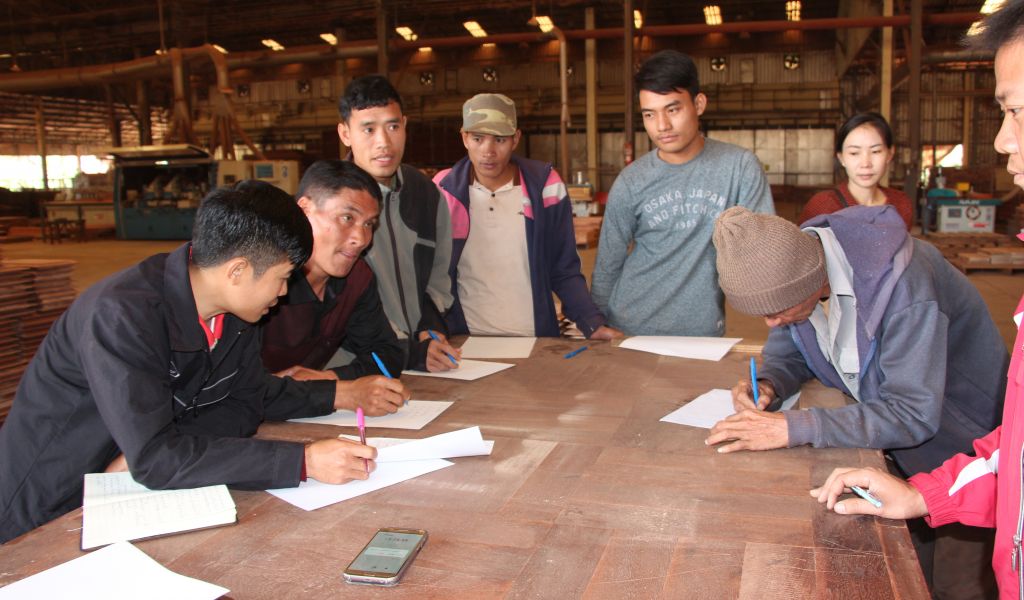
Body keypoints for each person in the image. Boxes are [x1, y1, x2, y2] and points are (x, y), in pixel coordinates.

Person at [0, 181, 377, 544]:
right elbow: (156, 460)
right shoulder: (123, 315)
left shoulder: (238, 314)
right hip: (46, 504)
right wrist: (302, 461)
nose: (283, 293)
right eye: (282, 278)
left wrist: (168, 448)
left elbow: (246, 405)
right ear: (237, 271)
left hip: (124, 497)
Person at [810, 2, 1024, 597]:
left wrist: (798, 426)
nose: (1004, 139)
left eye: (1015, 112)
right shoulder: (820, 225)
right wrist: (923, 495)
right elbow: (1018, 453)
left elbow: (914, 408)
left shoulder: (909, 268)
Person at [591, 49, 774, 337]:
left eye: (672, 109)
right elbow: (608, 262)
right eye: (649, 114)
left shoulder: (738, 168)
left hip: (700, 331)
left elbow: (762, 246)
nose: (661, 126)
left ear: (699, 104)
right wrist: (596, 324)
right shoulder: (632, 181)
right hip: (629, 327)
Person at [432, 93, 621, 340]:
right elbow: (431, 274)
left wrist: (591, 322)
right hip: (464, 339)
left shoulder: (545, 187)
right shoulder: (443, 190)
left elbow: (563, 267)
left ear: (515, 139)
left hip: (534, 338)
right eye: (478, 138)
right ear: (465, 138)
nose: (488, 151)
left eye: (499, 139)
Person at [260, 160, 411, 413]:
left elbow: (386, 355)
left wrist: (330, 378)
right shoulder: (261, 282)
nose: (361, 239)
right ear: (304, 210)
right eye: (347, 218)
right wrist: (342, 393)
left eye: (369, 224)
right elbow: (235, 387)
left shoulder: (356, 278)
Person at [337, 75, 459, 373]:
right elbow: (333, 304)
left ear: (405, 125)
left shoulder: (426, 194)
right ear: (345, 134)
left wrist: (429, 326)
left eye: (392, 126)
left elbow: (439, 276)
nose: (384, 143)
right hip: (357, 367)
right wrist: (407, 352)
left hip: (420, 359)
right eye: (368, 129)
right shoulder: (331, 203)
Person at [798, 112, 914, 229]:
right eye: (854, 153)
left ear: (889, 154)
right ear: (841, 157)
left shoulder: (901, 205)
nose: (865, 164)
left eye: (876, 151)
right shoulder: (822, 206)